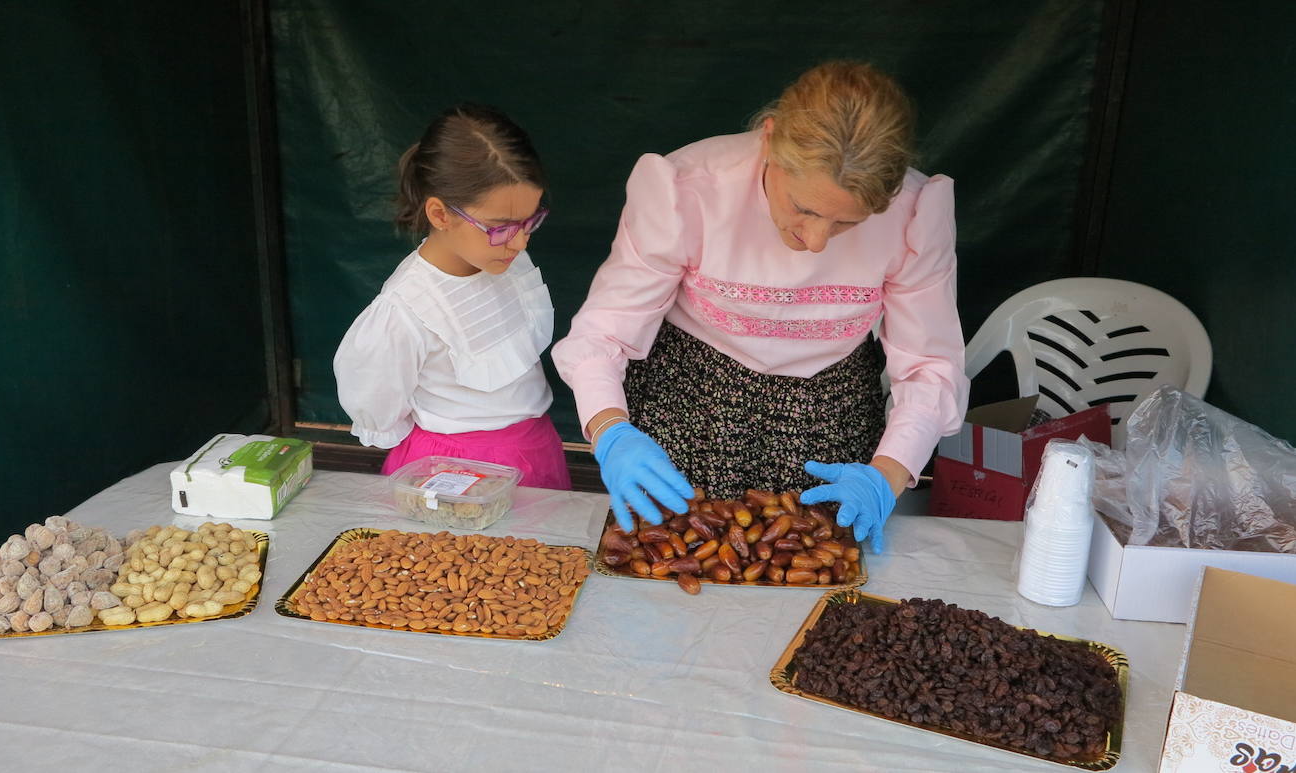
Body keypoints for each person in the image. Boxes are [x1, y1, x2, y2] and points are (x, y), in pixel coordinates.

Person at [553, 61, 968, 547]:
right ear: (769, 141)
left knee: (815, 573)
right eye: (804, 209)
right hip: (691, 403)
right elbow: (604, 331)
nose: (816, 241)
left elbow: (929, 366)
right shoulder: (688, 188)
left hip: (830, 414)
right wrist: (611, 432)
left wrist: (888, 473)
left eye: (845, 224)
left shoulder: (916, 212)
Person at [334, 104, 571, 490]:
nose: (522, 241)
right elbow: (377, 404)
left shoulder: (503, 256)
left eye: (530, 221)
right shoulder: (406, 310)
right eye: (501, 227)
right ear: (441, 215)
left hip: (537, 448)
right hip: (455, 470)